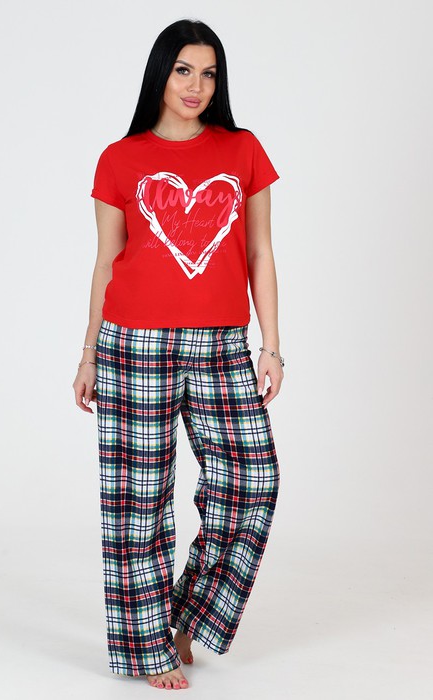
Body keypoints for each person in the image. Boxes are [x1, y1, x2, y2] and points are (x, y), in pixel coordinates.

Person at [72, 18, 284, 691]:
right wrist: (87, 353)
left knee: (252, 480)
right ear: (160, 74)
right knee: (138, 499)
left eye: (209, 73)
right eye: (183, 70)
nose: (196, 85)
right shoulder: (120, 158)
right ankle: (147, 646)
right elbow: (106, 261)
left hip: (221, 342)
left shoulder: (242, 149)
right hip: (132, 342)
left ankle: (189, 616)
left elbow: (259, 253)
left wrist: (271, 346)